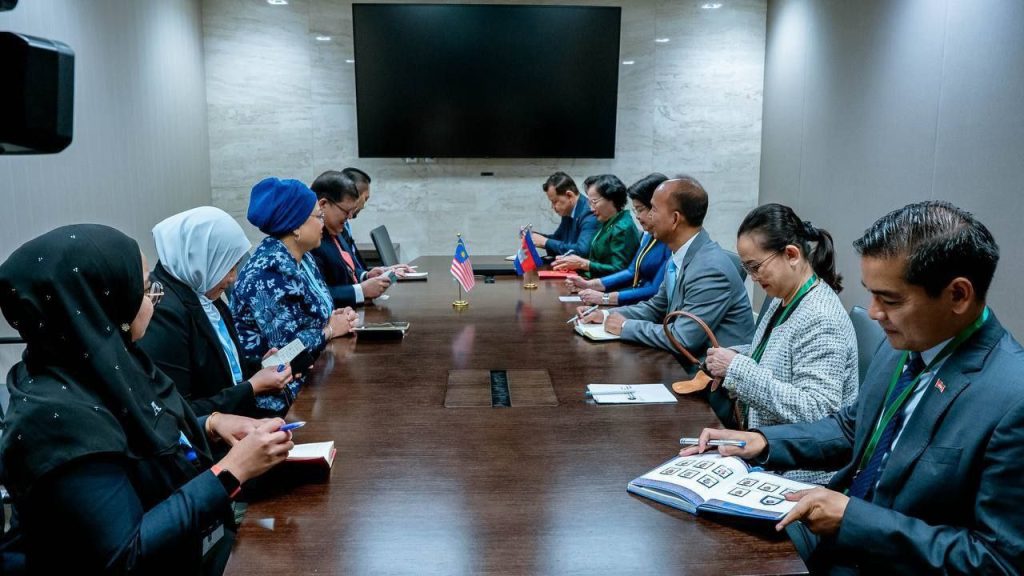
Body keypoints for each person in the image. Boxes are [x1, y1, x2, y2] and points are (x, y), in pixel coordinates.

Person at [682, 201, 1024, 574]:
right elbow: (852, 427)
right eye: (871, 294)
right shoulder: (905, 344)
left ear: (958, 295)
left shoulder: (1012, 398)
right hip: (837, 532)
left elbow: (997, 561)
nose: (873, 313)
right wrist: (765, 442)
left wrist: (854, 520)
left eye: (889, 299)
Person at [0, 224, 294, 575]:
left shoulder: (103, 363)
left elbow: (134, 435)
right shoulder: (54, 420)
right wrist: (230, 471)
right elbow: (126, 554)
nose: (156, 298)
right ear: (100, 304)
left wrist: (210, 425)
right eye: (143, 288)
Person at [578, 176, 754, 426]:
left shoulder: (709, 268)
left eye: (653, 209)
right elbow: (656, 306)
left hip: (712, 387)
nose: (648, 216)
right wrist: (605, 316)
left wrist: (625, 326)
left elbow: (683, 337)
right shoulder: (680, 255)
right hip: (683, 367)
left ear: (675, 219)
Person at [702, 203, 858, 484]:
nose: (753, 278)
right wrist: (736, 356)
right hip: (769, 455)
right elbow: (778, 357)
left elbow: (818, 413)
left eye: (756, 267)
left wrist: (737, 368)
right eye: (747, 268)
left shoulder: (821, 318)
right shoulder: (784, 296)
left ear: (791, 255)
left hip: (802, 474)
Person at [138, 207, 293, 418]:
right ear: (200, 259)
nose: (233, 278)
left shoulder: (204, 293)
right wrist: (252, 387)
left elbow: (223, 370)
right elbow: (179, 412)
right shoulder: (163, 313)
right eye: (228, 267)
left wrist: (261, 368)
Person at [230, 177, 358, 414]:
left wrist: (338, 316)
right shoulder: (268, 271)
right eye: (318, 217)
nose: (323, 224)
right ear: (296, 226)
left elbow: (315, 314)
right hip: (279, 398)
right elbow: (285, 353)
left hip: (313, 374)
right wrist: (330, 329)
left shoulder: (304, 257)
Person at [566, 173, 671, 305]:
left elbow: (655, 290)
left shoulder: (669, 242)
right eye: (636, 210)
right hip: (636, 303)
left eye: (640, 209)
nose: (637, 216)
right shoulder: (650, 235)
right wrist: (590, 285)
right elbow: (631, 271)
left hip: (644, 306)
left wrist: (605, 298)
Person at [552, 174, 641, 278]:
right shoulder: (608, 221)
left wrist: (584, 264)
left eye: (594, 202)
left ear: (612, 198)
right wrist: (572, 262)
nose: (591, 209)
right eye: (590, 203)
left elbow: (620, 271)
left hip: (610, 287)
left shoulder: (622, 227)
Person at [530, 171, 599, 257]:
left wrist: (545, 242)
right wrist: (534, 237)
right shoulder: (568, 210)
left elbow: (582, 250)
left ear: (569, 195)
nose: (553, 207)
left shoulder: (589, 213)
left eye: (555, 202)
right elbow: (558, 239)